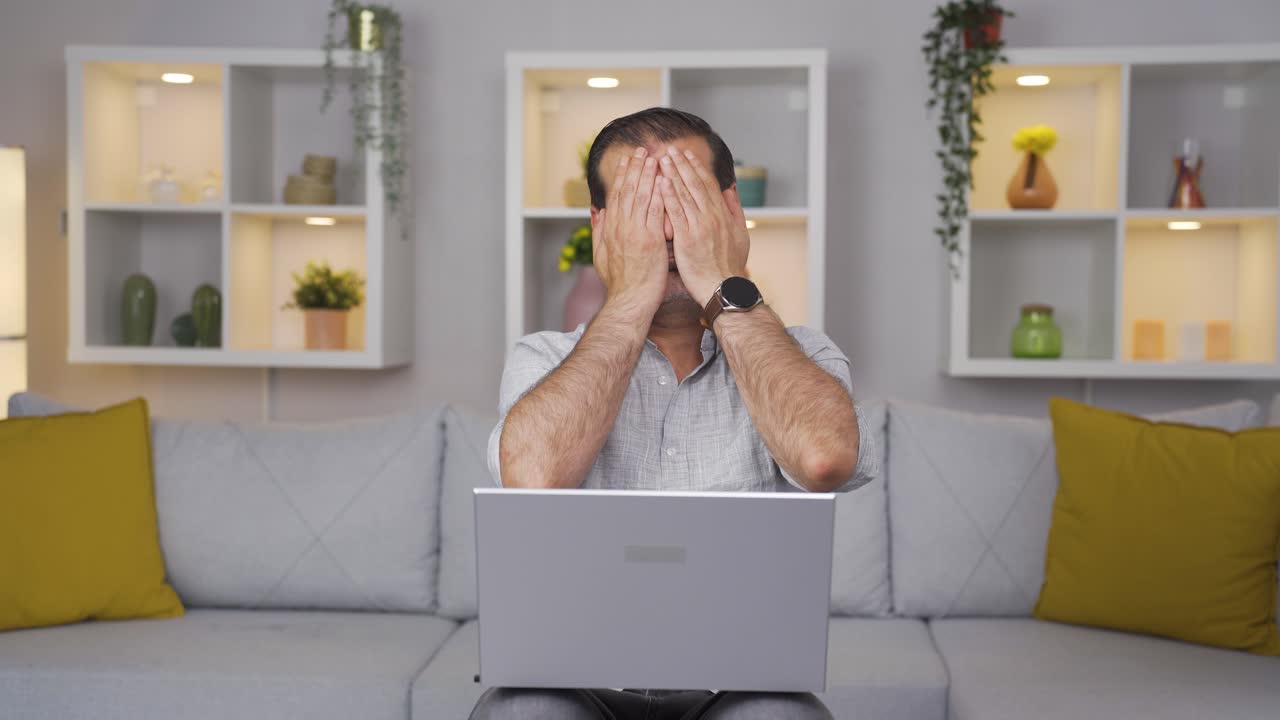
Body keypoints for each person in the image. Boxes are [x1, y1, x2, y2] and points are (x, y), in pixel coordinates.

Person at [471, 107, 877, 720]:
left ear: (731, 213)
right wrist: (634, 292)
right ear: (600, 225)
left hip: (743, 685)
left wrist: (722, 280)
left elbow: (825, 458)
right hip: (572, 683)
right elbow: (533, 477)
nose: (668, 233)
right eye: (643, 209)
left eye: (686, 204)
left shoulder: (804, 355)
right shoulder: (544, 358)